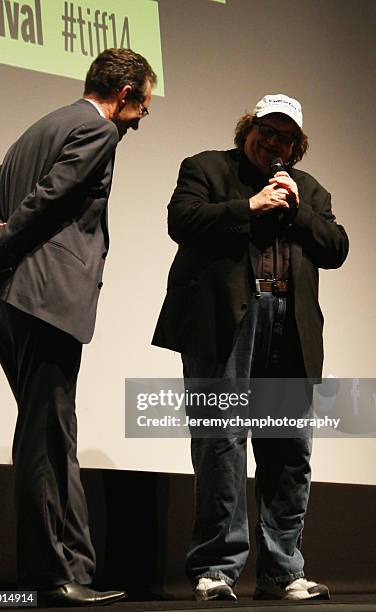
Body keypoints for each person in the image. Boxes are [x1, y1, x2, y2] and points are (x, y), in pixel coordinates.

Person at [0, 48, 156, 607]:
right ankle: (49, 577)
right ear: (123, 96)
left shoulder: (39, 127)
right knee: (46, 432)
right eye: (142, 107)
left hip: (7, 299)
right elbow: (48, 204)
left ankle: (73, 564)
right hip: (41, 299)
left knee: (54, 428)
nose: (141, 121)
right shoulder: (97, 132)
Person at [152, 94, 348, 601]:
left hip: (288, 328)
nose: (274, 141)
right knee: (222, 445)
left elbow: (336, 249)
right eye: (267, 130)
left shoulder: (309, 190)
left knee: (288, 453)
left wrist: (299, 213)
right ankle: (216, 569)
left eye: (286, 136)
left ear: (296, 145)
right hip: (225, 327)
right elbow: (182, 222)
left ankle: (283, 571)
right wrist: (250, 206)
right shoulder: (206, 168)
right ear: (248, 128)